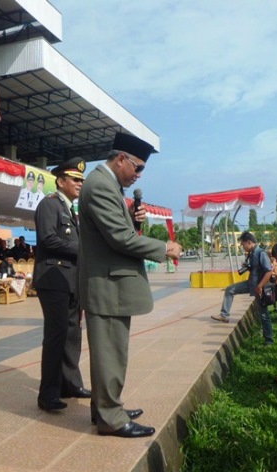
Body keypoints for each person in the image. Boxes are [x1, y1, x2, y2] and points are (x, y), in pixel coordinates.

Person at [78, 132, 182, 438]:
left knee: (108, 353)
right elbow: (119, 239)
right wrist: (164, 248)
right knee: (111, 353)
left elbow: (120, 231)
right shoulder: (100, 185)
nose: (138, 175)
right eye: (137, 168)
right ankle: (111, 416)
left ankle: (104, 407)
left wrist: (135, 221)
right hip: (107, 286)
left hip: (109, 283)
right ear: (120, 158)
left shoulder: (105, 184)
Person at [34, 156, 91, 412]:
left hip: (70, 281)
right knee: (56, 336)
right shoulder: (50, 205)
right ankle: (48, 394)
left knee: (72, 334)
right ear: (61, 181)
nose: (80, 183)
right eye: (75, 179)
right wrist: (83, 249)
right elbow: (47, 240)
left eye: (82, 180)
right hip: (54, 279)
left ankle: (70, 384)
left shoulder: (70, 209)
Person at [211, 232, 274, 343]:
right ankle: (224, 315)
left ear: (249, 242)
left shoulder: (261, 253)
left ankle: (269, 340)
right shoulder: (252, 253)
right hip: (251, 284)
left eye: (243, 244)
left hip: (260, 287)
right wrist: (248, 267)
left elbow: (268, 271)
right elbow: (257, 269)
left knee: (264, 314)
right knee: (230, 289)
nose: (243, 246)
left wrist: (260, 286)